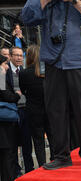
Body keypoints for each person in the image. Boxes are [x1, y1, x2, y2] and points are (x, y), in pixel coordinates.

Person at [21, 0, 81, 170]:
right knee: (55, 111)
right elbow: (26, 17)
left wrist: (76, 2)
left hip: (78, 59)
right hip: (52, 61)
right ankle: (61, 155)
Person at [19, 44, 54, 167]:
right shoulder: (49, 72)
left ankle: (42, 166)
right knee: (53, 138)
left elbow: (23, 91)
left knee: (38, 141)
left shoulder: (24, 73)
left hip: (33, 111)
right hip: (49, 109)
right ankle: (55, 163)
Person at [7, 46, 34, 174]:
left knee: (27, 143)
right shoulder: (4, 72)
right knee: (13, 144)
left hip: (25, 111)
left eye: (20, 55)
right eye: (16, 55)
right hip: (12, 111)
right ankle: (16, 170)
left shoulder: (25, 71)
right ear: (10, 57)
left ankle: (29, 169)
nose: (19, 58)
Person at [0, 54, 21, 181]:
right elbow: (5, 95)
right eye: (5, 64)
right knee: (7, 150)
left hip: (3, 121)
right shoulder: (0, 77)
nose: (7, 66)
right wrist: (17, 96)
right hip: (4, 121)